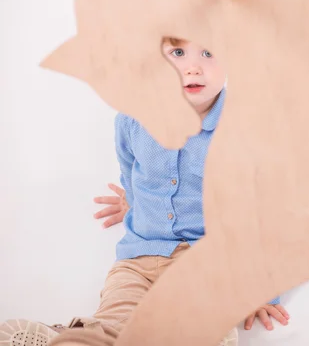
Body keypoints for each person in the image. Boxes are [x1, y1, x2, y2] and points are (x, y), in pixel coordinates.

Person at [0, 37, 289, 346]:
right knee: (117, 313)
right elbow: (130, 166)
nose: (193, 67)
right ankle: (74, 339)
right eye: (178, 53)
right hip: (138, 257)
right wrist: (135, 202)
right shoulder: (132, 119)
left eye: (208, 53)